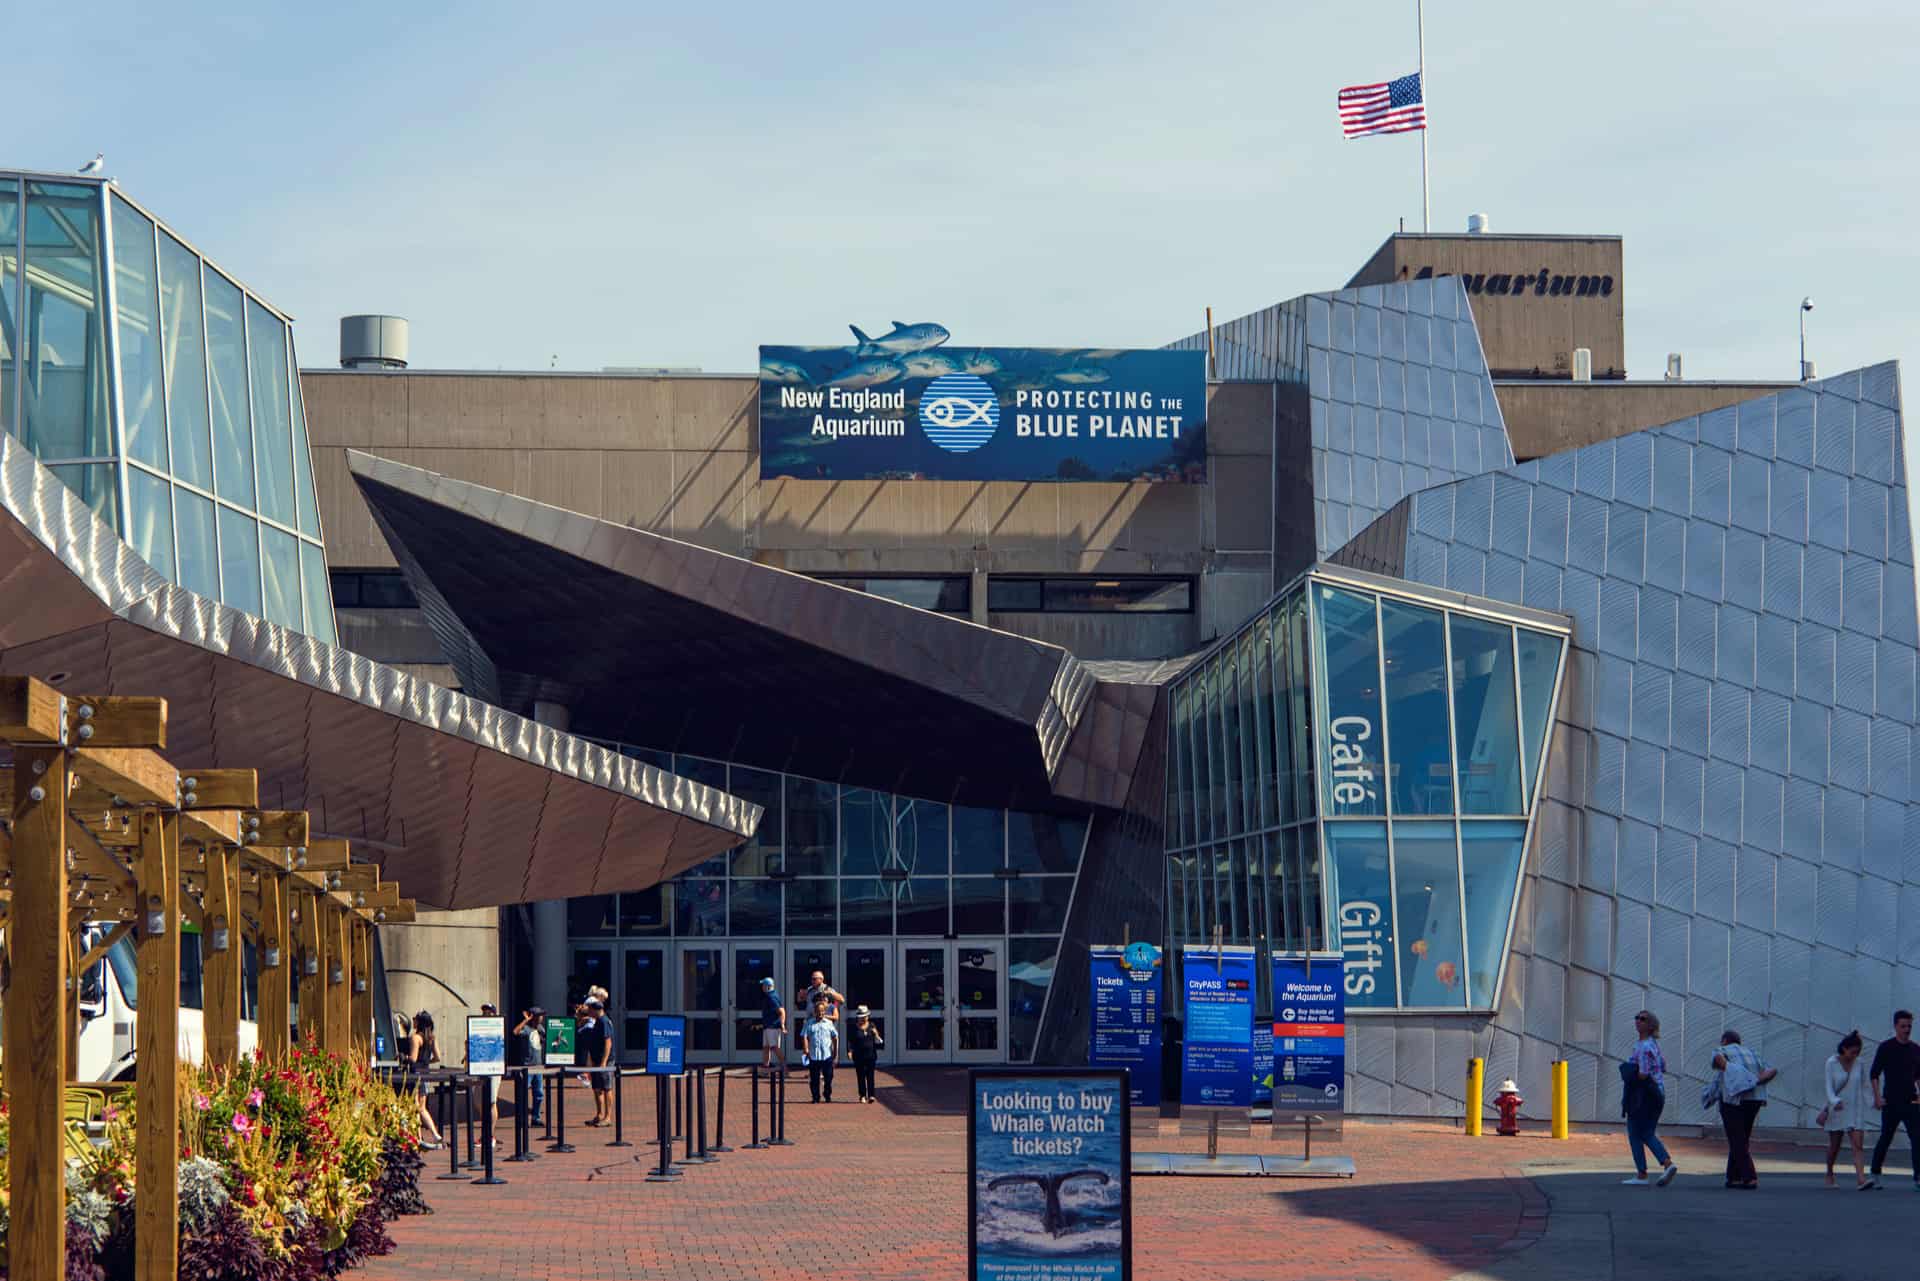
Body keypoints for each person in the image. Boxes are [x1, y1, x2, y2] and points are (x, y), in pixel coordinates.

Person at [1710, 1029, 1776, 1189]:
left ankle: (1749, 1176)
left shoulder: (1722, 1050)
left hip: (1733, 1099)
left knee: (1736, 1138)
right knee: (1741, 1137)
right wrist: (1754, 1080)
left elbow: (1718, 1060)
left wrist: (1737, 1075)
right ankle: (1733, 1177)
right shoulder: (1752, 1052)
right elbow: (1772, 1070)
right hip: (1754, 1099)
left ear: (1725, 1040)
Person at [1622, 1010, 1678, 1187]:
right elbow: (1663, 1066)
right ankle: (1658, 1167)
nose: (1638, 1021)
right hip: (1657, 1094)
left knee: (1636, 1132)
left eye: (1643, 1019)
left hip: (1644, 1095)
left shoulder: (1644, 1047)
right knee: (1645, 1132)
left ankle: (1646, 1172)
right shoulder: (1653, 1045)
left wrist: (1630, 1074)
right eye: (1636, 1017)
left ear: (1650, 1025)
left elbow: (1644, 1074)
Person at [1867, 1009, 1920, 1189]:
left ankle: (1918, 1178)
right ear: (1895, 1027)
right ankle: (1875, 1174)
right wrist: (1877, 1097)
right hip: (1891, 1101)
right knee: (1886, 1137)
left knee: (1917, 1138)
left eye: (1909, 1026)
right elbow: (1874, 1073)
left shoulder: (1915, 1049)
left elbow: (1918, 1076)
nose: (1907, 1030)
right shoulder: (1886, 1048)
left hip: (1911, 1101)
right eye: (1903, 1026)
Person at [1825, 1030, 1870, 1189]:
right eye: (1852, 1052)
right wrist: (1834, 1100)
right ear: (1844, 1049)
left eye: (1857, 1052)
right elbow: (1829, 1088)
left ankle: (1861, 1179)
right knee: (1835, 1146)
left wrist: (1872, 1102)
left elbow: (1864, 1085)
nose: (1855, 1055)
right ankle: (1829, 1173)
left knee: (1858, 1144)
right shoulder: (1831, 1062)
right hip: (1837, 1109)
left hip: (1855, 1108)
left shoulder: (1860, 1063)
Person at [576, 996, 615, 1127]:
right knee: (597, 1087)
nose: (589, 1013)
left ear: (595, 1010)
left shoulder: (604, 1021)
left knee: (606, 1087)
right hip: (596, 1059)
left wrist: (604, 1061)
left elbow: (608, 1042)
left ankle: (608, 1116)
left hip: (605, 1061)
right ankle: (599, 1114)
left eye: (590, 1010)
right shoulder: (597, 1020)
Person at [407, 1010, 443, 1149]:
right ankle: (435, 1134)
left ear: (419, 1022)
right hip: (426, 1074)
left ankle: (418, 1136)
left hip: (415, 1075)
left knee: (415, 1107)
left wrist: (403, 1057)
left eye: (415, 1019)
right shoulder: (431, 1038)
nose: (413, 1021)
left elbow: (413, 1058)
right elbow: (438, 1057)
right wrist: (427, 1062)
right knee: (421, 1108)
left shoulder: (415, 1038)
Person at [512, 1005, 547, 1127]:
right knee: (523, 1093)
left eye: (541, 1016)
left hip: (538, 1066)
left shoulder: (540, 1029)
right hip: (527, 1066)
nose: (541, 1018)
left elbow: (545, 1040)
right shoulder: (526, 1029)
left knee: (539, 1094)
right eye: (539, 1016)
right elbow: (515, 1032)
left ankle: (536, 1118)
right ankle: (522, 1118)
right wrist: (526, 1020)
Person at [801, 997, 838, 1103]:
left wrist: (835, 1053)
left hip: (827, 1055)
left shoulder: (829, 1023)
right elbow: (804, 1036)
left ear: (824, 1011)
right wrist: (806, 1049)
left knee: (828, 1078)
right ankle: (815, 1097)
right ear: (815, 1012)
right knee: (814, 1079)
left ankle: (827, 1095)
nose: (820, 1013)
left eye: (822, 1011)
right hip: (813, 1055)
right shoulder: (809, 1023)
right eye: (818, 1011)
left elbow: (835, 1038)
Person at [846, 1004, 884, 1104]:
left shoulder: (872, 1026)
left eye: (865, 1017)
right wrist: (849, 1051)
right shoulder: (854, 1027)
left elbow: (879, 1041)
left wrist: (876, 1034)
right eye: (861, 1017)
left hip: (870, 1055)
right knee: (861, 1075)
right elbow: (850, 1041)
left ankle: (871, 1095)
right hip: (859, 1055)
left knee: (870, 1075)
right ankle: (862, 1095)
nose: (863, 1019)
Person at [758, 976, 787, 1069]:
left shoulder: (772, 997)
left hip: (773, 1026)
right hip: (767, 1025)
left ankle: (784, 1067)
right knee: (766, 1047)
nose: (762, 987)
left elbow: (782, 1011)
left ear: (768, 986)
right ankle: (766, 1068)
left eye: (763, 985)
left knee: (774, 1047)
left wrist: (782, 1024)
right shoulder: (768, 996)